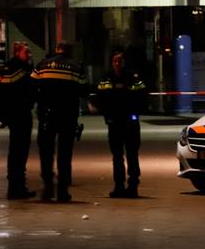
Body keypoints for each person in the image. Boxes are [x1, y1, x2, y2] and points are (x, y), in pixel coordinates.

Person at [31, 42, 88, 202]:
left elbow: (32, 86)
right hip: (67, 115)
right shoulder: (76, 66)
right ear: (69, 52)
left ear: (56, 50)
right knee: (65, 153)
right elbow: (84, 90)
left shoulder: (42, 64)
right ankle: (63, 191)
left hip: (46, 116)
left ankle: (48, 188)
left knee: (46, 152)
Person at [92, 52, 147, 198]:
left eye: (120, 61)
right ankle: (119, 186)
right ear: (111, 63)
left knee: (132, 155)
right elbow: (99, 97)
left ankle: (133, 186)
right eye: (115, 61)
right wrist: (106, 115)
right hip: (114, 123)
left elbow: (143, 96)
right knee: (117, 156)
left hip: (130, 123)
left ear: (124, 62)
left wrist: (135, 112)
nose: (117, 63)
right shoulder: (106, 78)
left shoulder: (133, 78)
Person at [0, 41, 36, 199]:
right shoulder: (22, 69)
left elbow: (0, 95)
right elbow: (29, 90)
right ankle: (17, 188)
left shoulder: (8, 68)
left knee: (15, 152)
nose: (29, 55)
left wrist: (2, 116)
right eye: (27, 52)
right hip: (21, 115)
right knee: (20, 152)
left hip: (14, 116)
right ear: (18, 53)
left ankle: (16, 186)